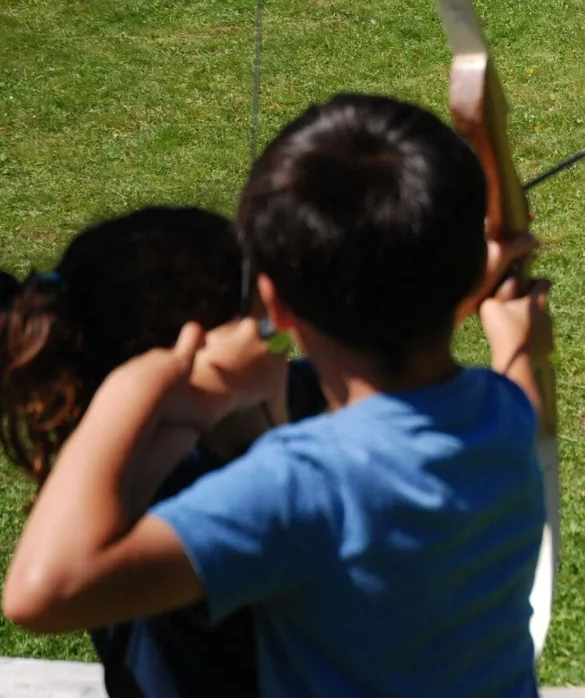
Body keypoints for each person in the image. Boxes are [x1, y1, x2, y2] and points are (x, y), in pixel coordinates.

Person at [3, 94, 551, 697]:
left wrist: (144, 386)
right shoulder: (501, 413)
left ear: (279, 309)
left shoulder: (285, 485)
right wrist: (467, 297)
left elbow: (39, 589)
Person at [0, 205, 317, 698]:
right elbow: (39, 590)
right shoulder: (166, 497)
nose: (281, 328)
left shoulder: (298, 399)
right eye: (264, 317)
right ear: (203, 354)